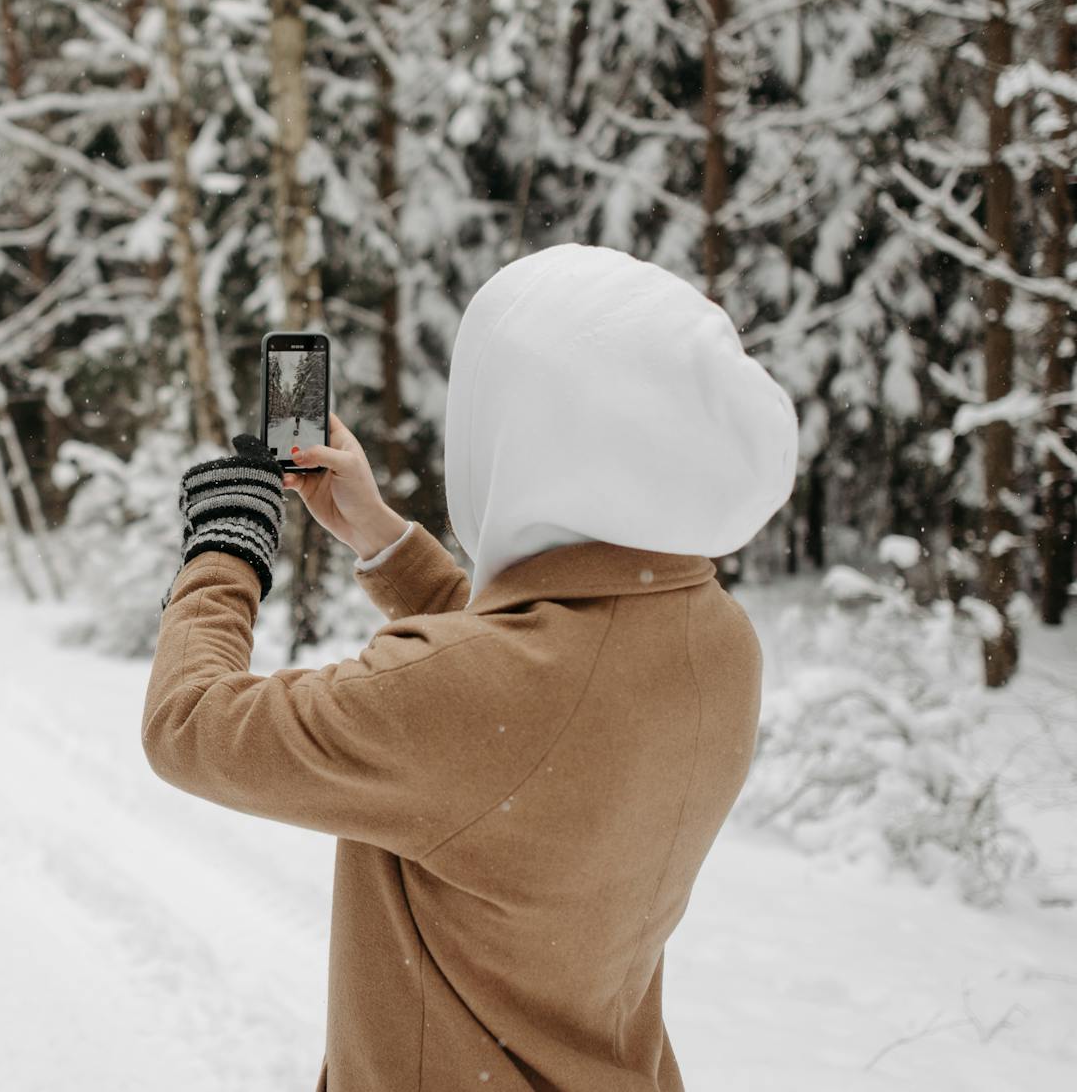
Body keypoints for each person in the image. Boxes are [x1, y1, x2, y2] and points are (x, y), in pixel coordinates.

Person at [145, 244, 798, 1092]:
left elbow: (189, 726)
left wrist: (224, 552)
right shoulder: (714, 640)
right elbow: (534, 711)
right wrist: (385, 538)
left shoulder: (478, 696)